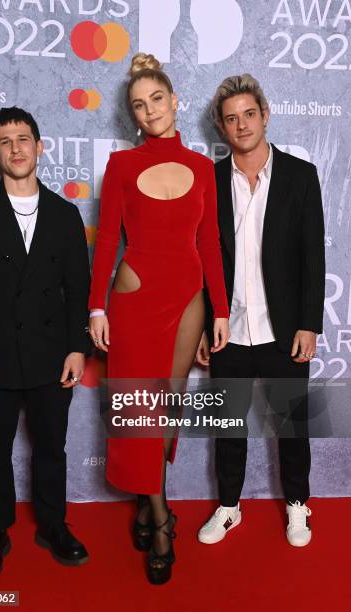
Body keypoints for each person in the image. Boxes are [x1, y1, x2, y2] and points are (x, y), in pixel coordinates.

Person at [88, 53, 229, 584]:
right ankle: (162, 517)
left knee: (164, 411)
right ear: (133, 115)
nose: (149, 111)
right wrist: (96, 305)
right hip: (134, 298)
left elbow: (210, 244)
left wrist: (220, 309)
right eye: (137, 106)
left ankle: (150, 507)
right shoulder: (122, 166)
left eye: (156, 100)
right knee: (140, 411)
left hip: (189, 299)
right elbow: (106, 240)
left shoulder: (200, 169)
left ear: (175, 101)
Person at [0, 107, 91, 581]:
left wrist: (78, 348)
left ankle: (53, 525)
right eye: (5, 141)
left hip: (53, 355)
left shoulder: (66, 215)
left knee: (52, 445)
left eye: (24, 139)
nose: (16, 148)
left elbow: (79, 289)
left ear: (39, 147)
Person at [196, 75, 325, 547]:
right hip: (226, 329)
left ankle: (298, 506)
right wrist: (202, 327)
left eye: (249, 114)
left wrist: (310, 323)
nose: (241, 124)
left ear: (265, 115)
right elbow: (198, 260)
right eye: (231, 118)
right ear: (221, 126)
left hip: (284, 329)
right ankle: (229, 507)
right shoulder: (207, 181)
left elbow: (314, 256)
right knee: (227, 427)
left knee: (293, 427)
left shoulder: (299, 175)